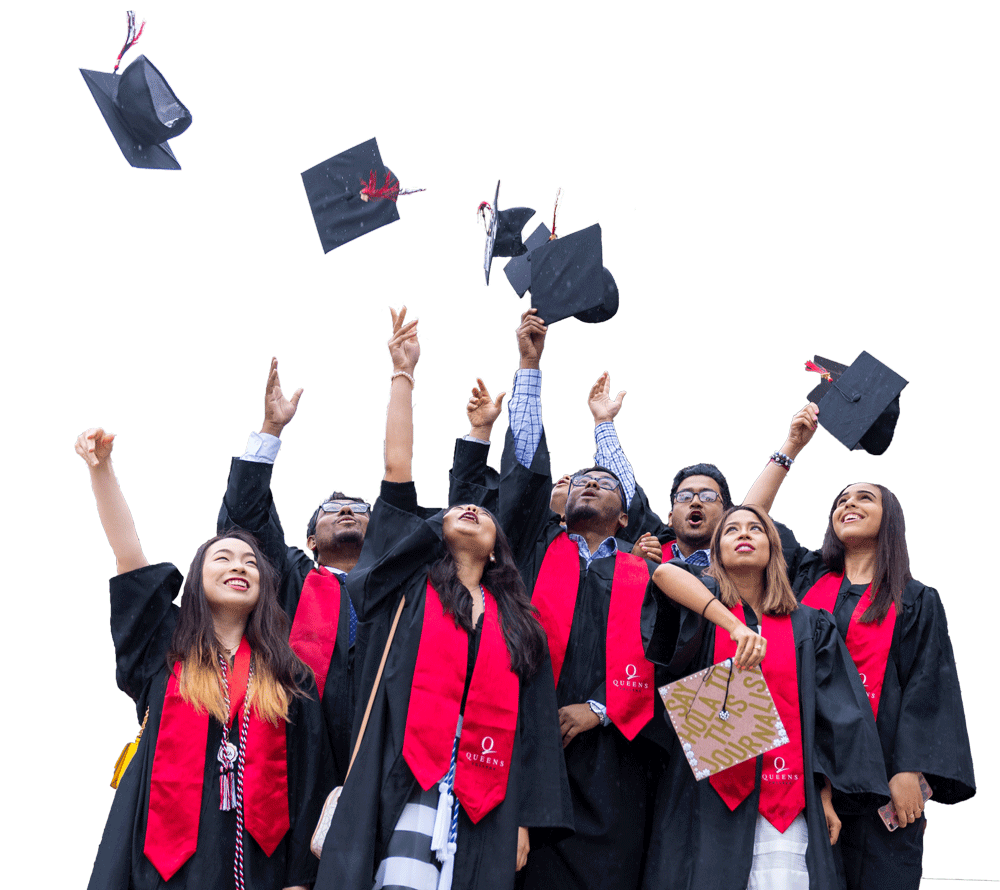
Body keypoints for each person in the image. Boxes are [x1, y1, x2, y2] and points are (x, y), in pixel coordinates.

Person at [314, 308, 572, 890]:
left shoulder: (516, 622)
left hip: (488, 796)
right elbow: (396, 473)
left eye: (483, 512)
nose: (471, 509)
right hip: (404, 775)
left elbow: (532, 724)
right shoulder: (408, 590)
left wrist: (526, 820)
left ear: (501, 545)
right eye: (457, 507)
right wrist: (402, 376)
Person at [77, 427, 332, 890]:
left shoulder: (289, 673)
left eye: (251, 562)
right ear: (197, 578)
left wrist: (300, 880)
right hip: (161, 860)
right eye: (223, 558)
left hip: (260, 866)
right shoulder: (166, 644)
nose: (239, 565)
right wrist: (102, 471)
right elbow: (128, 556)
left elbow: (311, 776)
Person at [743, 403, 976, 890]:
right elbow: (748, 521)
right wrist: (792, 445)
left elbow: (927, 687)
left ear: (889, 518)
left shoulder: (914, 600)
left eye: (864, 498)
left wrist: (911, 769)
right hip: (801, 768)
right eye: (841, 499)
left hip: (882, 778)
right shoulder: (804, 578)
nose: (848, 503)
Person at [488, 310, 669, 890]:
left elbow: (671, 662)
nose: (590, 482)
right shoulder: (534, 548)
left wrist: (598, 709)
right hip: (531, 750)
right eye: (581, 480)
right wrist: (530, 366)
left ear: (626, 516)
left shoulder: (649, 573)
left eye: (606, 483)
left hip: (619, 759)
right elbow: (523, 475)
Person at [641, 504, 889, 890]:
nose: (743, 534)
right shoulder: (702, 612)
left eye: (755, 529)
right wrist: (733, 626)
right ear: (717, 551)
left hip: (787, 797)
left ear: (773, 548)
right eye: (731, 530)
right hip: (706, 795)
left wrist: (823, 793)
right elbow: (662, 572)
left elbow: (832, 716)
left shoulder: (811, 625)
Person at [217, 357, 369, 781]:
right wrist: (270, 430)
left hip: (383, 742)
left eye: (358, 509)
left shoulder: (400, 586)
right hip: (301, 742)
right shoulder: (292, 578)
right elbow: (243, 524)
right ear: (311, 541)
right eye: (331, 509)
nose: (344, 510)